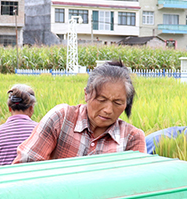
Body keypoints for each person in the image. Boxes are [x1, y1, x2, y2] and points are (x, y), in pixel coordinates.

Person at [14, 61, 146, 163]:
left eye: (117, 103)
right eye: (101, 99)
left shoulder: (132, 138)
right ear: (86, 94)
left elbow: (138, 183)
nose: (108, 110)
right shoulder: (61, 119)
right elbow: (26, 165)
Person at [0, 84, 38, 165]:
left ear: (9, 108)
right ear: (31, 108)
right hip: (32, 173)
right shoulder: (39, 131)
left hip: (5, 174)